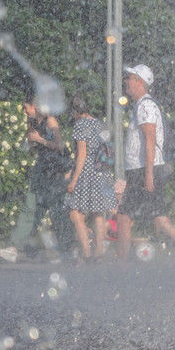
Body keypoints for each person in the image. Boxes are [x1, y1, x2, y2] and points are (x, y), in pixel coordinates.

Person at [115, 64, 175, 260]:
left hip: (144, 170)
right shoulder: (141, 105)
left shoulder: (146, 106)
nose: (127, 81)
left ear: (140, 82)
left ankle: (121, 267)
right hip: (143, 169)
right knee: (159, 219)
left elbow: (150, 140)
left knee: (125, 216)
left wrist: (148, 174)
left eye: (130, 78)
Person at [0, 100, 73, 263]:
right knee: (31, 208)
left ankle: (68, 249)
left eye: (25, 107)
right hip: (41, 170)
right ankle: (15, 247)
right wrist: (30, 142)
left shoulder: (50, 120)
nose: (24, 111)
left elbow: (60, 146)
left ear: (35, 105)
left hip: (54, 173)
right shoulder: (32, 122)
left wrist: (39, 139)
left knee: (56, 210)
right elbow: (32, 147)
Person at [63, 97, 117, 262]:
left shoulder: (80, 125)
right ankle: (99, 253)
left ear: (75, 111)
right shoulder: (99, 124)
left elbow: (82, 155)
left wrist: (73, 180)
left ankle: (86, 253)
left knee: (76, 212)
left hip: (86, 172)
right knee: (98, 213)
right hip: (102, 171)